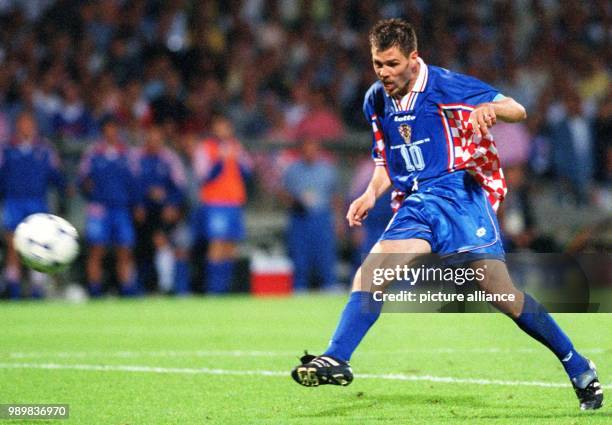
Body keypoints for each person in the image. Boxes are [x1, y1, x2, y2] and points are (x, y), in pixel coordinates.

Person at [290, 19, 603, 411]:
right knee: (372, 273)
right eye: (377, 64)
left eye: (391, 64)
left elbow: (517, 109)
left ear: (413, 58)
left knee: (504, 295)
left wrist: (489, 109)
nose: (384, 73)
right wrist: (370, 193)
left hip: (459, 197)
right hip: (416, 203)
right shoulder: (375, 98)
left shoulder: (444, 85)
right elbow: (386, 158)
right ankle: (337, 357)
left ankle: (577, 364)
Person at [0, 111, 65, 298]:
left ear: (35, 126)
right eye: (23, 122)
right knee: (14, 246)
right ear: (17, 125)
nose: (26, 126)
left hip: (37, 201)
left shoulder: (45, 149)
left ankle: (37, 291)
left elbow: (56, 175)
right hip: (13, 201)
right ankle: (14, 290)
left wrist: (64, 190)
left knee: (39, 246)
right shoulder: (6, 149)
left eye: (29, 123)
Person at [78, 116, 142, 297]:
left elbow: (135, 181)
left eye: (115, 128)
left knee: (125, 251)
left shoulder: (127, 154)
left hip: (121, 208)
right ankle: (95, 291)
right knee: (97, 250)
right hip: (99, 209)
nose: (111, 131)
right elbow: (81, 178)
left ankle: (127, 290)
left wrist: (137, 204)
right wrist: (86, 187)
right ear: (103, 130)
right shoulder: (93, 153)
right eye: (108, 128)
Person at [193, 113, 251, 294]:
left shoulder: (236, 147)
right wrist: (220, 159)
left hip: (233, 202)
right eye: (220, 125)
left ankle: (225, 290)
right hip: (215, 203)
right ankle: (213, 290)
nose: (224, 129)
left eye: (226, 125)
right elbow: (203, 176)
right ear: (213, 128)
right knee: (216, 245)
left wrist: (236, 158)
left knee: (230, 246)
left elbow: (247, 172)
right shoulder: (205, 148)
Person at [281, 138, 341, 292]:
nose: (310, 153)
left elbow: (335, 196)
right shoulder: (293, 170)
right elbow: (283, 193)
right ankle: (300, 286)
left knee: (325, 252)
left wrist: (339, 219)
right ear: (302, 151)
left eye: (313, 149)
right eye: (307, 149)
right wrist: (296, 201)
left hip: (322, 215)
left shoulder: (327, 169)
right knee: (300, 253)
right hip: (300, 216)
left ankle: (329, 284)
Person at [134, 125, 189, 294]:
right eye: (151, 140)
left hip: (164, 212)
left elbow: (180, 187)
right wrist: (139, 204)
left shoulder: (170, 159)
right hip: (141, 212)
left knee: (163, 243)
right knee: (139, 249)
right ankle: (140, 289)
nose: (154, 143)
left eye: (157, 140)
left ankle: (169, 287)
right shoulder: (136, 158)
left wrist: (171, 203)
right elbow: (131, 184)